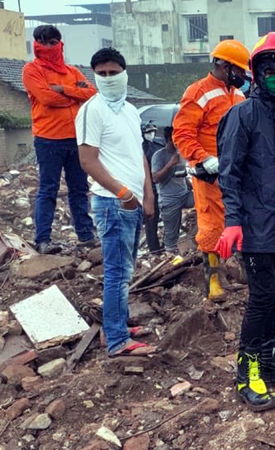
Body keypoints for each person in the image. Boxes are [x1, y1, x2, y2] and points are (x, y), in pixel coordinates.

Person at [214, 32, 275, 411]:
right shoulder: (241, 115)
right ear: (256, 73)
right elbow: (230, 173)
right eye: (269, 69)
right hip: (255, 227)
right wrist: (232, 221)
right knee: (259, 299)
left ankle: (271, 362)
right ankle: (248, 370)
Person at [76, 48, 156, 357]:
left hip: (131, 203)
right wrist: (123, 193)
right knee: (117, 272)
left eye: (113, 72)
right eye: (102, 74)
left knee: (126, 269)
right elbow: (87, 160)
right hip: (112, 203)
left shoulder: (129, 111)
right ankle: (117, 339)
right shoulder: (92, 111)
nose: (108, 78)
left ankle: (117, 324)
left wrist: (148, 195)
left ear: (124, 73)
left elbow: (139, 156)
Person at [173, 39, 249, 300]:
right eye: (238, 70)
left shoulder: (238, 95)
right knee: (212, 224)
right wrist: (203, 158)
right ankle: (213, 279)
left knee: (242, 219)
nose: (242, 75)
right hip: (210, 171)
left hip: (237, 171)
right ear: (222, 65)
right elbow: (182, 133)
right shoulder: (198, 92)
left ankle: (244, 271)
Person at [23, 25, 97, 254]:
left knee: (79, 189)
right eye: (43, 42)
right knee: (48, 189)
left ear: (59, 42)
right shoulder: (31, 70)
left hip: (76, 139)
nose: (48, 46)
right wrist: (74, 95)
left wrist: (63, 89)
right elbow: (45, 98)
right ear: (36, 43)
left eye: (52, 41)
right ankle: (43, 240)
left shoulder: (72, 71)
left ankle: (85, 236)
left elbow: (92, 93)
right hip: (48, 140)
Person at [151, 127, 194, 253]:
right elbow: (155, 178)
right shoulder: (159, 156)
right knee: (171, 235)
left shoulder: (180, 153)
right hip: (169, 198)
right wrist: (170, 164)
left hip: (184, 194)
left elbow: (181, 174)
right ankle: (170, 256)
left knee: (205, 203)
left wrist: (191, 186)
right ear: (170, 139)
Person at [141, 121, 163, 252]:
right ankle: (154, 248)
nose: (151, 134)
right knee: (151, 219)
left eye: (153, 131)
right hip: (148, 185)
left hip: (163, 183)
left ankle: (167, 245)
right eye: (148, 132)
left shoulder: (159, 143)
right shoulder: (139, 147)